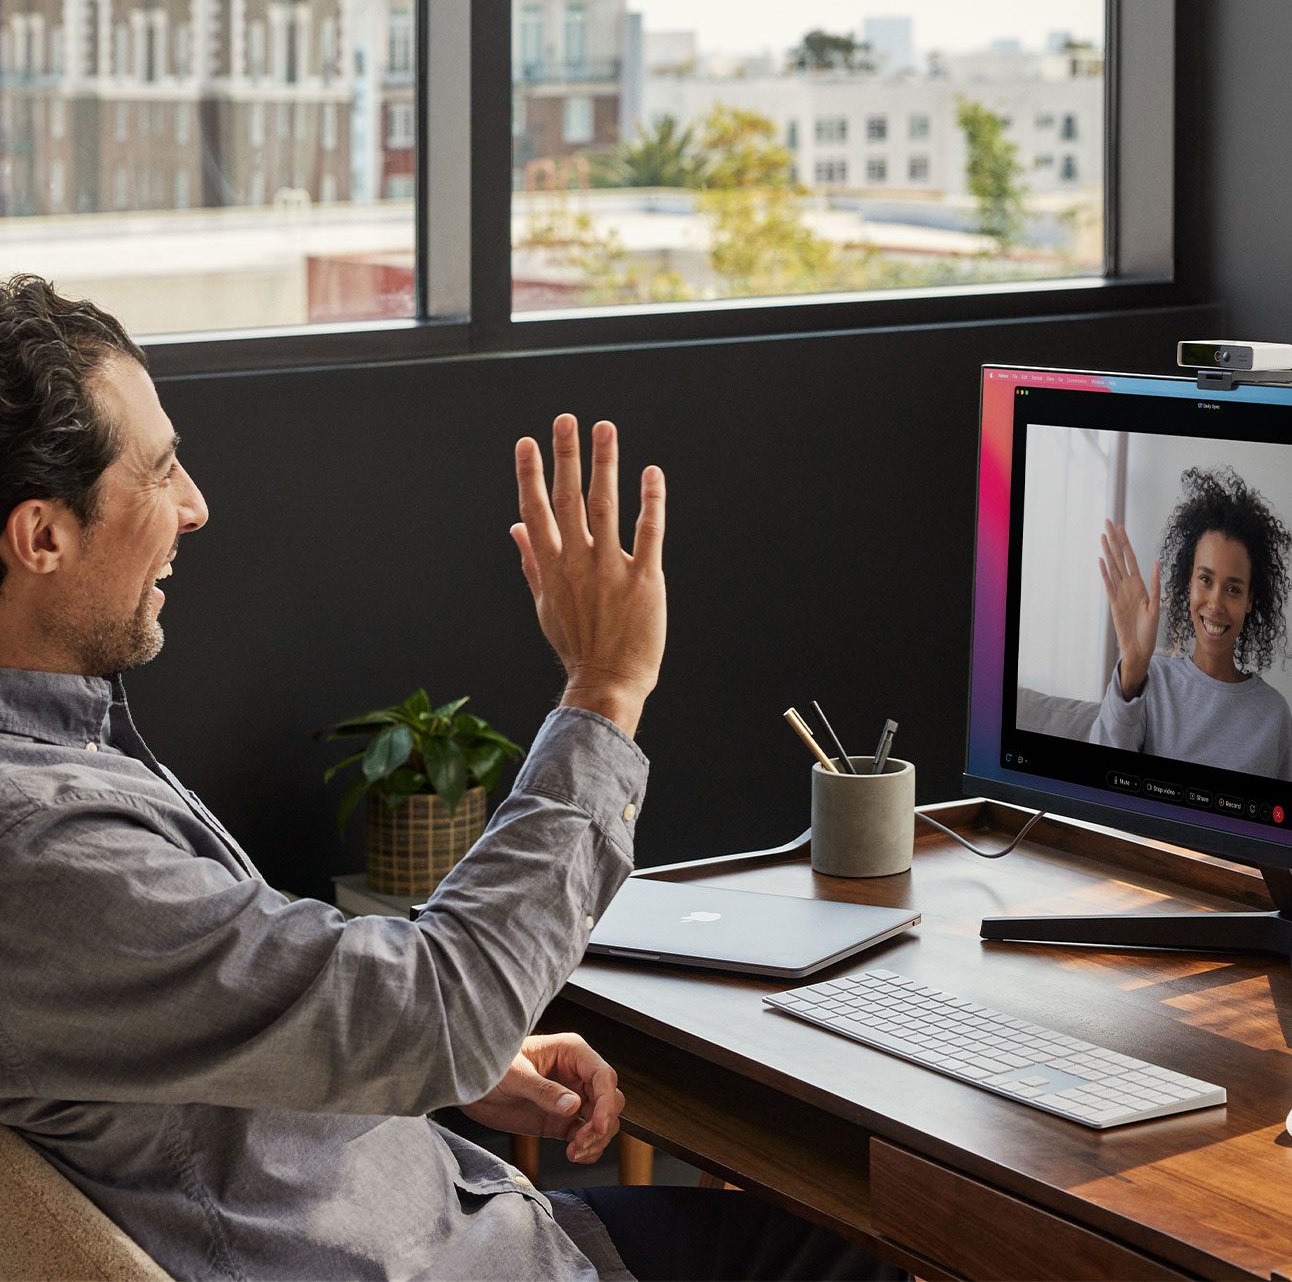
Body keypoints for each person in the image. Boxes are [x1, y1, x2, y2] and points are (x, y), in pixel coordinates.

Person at [0, 274, 903, 1281]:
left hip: (469, 1220)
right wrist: (605, 688)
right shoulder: (43, 849)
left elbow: (182, 1043)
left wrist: (412, 1064)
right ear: (42, 535)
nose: (195, 506)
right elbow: (444, 1007)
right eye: (160, 471)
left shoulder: (59, 763)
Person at [1091, 465, 1292, 780]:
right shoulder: (1149, 679)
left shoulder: (1274, 714)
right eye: (1205, 579)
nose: (1215, 604)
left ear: (1250, 599)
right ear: (1189, 583)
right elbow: (1099, 779)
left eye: (1233, 589)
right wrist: (1131, 670)